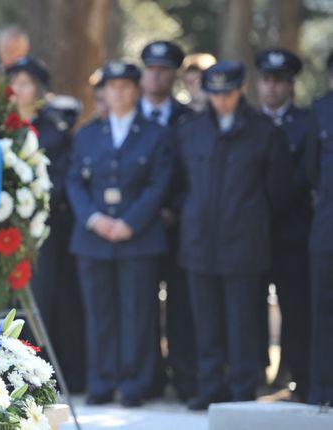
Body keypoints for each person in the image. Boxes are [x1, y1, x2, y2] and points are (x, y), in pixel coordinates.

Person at [175, 60, 291, 410]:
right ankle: (210, 387)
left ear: (240, 90)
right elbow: (178, 184)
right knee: (205, 322)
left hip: (244, 244)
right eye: (215, 94)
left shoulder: (263, 131)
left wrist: (251, 219)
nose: (221, 101)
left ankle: (242, 388)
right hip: (200, 242)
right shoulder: (190, 130)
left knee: (242, 322)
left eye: (227, 93)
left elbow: (278, 191)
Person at [67, 61, 174, 407]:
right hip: (93, 238)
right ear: (104, 93)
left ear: (137, 90)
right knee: (99, 313)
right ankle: (101, 381)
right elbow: (74, 182)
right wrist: (94, 218)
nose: (118, 93)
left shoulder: (156, 134)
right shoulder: (86, 134)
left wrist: (131, 221)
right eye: (111, 87)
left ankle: (134, 384)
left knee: (137, 313)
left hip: (138, 237)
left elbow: (159, 183)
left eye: (125, 86)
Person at [7, 56, 86, 392]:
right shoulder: (1, 127)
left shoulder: (52, 132)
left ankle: (40, 375)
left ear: (37, 91)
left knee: (40, 300)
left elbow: (58, 179)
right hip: (4, 232)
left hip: (42, 231)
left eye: (24, 84)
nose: (17, 90)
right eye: (13, 83)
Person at [254, 48, 314, 401]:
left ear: (291, 85)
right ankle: (258, 370)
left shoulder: (307, 122)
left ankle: (293, 371)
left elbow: (307, 174)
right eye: (267, 80)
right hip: (251, 230)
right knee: (249, 304)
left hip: (293, 231)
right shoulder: (249, 122)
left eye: (280, 81)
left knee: (294, 305)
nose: (273, 88)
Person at [139, 40, 196, 402]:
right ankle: (148, 378)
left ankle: (185, 376)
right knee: (140, 306)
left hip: (179, 227)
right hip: (137, 229)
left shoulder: (188, 117)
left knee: (181, 307)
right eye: (151, 68)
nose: (157, 75)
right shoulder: (129, 114)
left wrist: (174, 208)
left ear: (174, 74)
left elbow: (192, 174)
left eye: (164, 69)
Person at [306, 52, 333, 406]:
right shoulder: (320, 111)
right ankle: (322, 390)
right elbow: (311, 172)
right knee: (323, 311)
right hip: (327, 229)